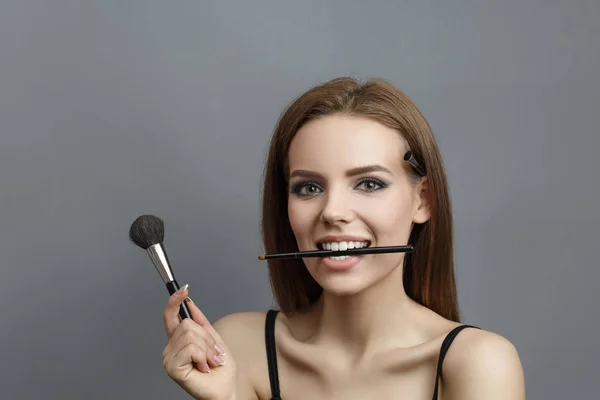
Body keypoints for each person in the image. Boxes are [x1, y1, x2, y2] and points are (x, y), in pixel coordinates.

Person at [159, 77, 526, 400]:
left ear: (422, 200)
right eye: (309, 187)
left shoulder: (479, 364)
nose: (332, 211)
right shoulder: (238, 347)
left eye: (369, 183)